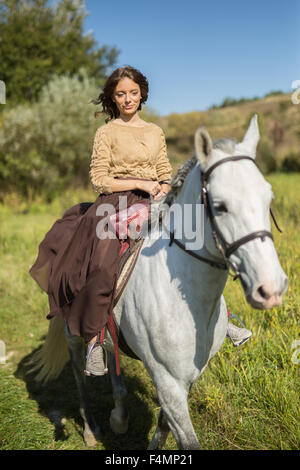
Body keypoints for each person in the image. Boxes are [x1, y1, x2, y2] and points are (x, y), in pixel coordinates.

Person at [29, 65, 251, 378]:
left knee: (197, 241)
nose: (128, 99)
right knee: (103, 261)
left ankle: (222, 318)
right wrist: (140, 183)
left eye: (133, 92)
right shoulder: (106, 132)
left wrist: (162, 185)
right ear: (113, 97)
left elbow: (163, 168)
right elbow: (99, 179)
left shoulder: (154, 132)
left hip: (153, 201)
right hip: (113, 206)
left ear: (141, 93)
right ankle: (94, 340)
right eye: (121, 94)